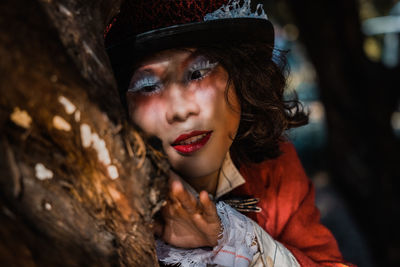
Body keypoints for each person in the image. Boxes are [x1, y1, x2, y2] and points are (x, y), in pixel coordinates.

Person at [105, 0, 354, 266]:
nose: (180, 110)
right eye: (147, 86)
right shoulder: (97, 200)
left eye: (197, 73)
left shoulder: (273, 167)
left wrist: (232, 238)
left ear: (240, 76)